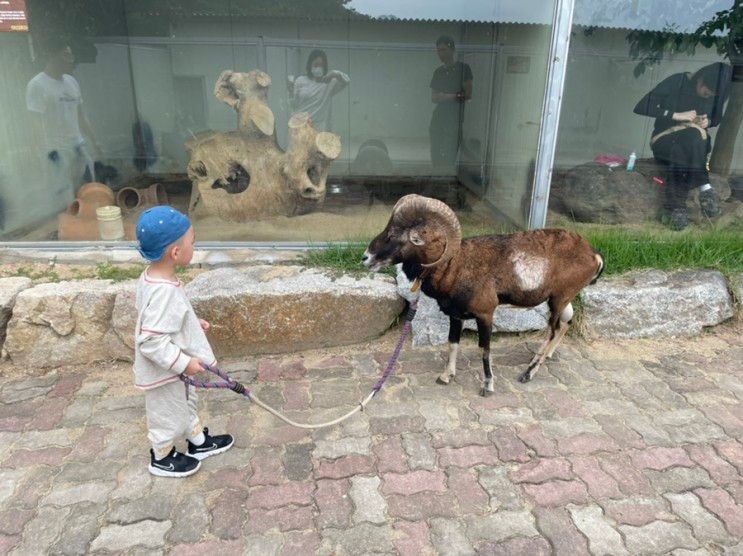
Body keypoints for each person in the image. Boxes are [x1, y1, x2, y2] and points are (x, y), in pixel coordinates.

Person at [134, 206, 233, 477]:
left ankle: (197, 441)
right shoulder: (163, 290)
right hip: (165, 371)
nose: (195, 246)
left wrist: (189, 324)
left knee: (187, 403)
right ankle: (162, 457)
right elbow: (151, 341)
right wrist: (183, 362)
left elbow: (163, 318)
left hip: (176, 370)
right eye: (193, 242)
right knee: (167, 415)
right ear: (175, 252)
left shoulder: (153, 277)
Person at [633, 62, 732, 230]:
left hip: (693, 145)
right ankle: (705, 188)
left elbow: (716, 117)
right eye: (706, 91)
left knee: (688, 143)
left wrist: (708, 121)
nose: (706, 96)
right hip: (665, 139)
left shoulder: (715, 94)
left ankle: (676, 207)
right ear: (700, 78)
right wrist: (676, 115)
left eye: (711, 96)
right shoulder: (677, 81)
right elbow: (641, 106)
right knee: (688, 142)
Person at [26, 37, 100, 208]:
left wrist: (95, 142)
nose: (71, 58)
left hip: (78, 145)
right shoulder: (37, 85)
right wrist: (43, 152)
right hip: (57, 150)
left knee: (88, 188)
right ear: (52, 55)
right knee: (64, 196)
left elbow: (81, 116)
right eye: (66, 55)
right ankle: (69, 227)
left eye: (71, 54)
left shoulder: (71, 81)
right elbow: (34, 123)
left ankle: (87, 222)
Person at [429, 36, 473, 173]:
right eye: (438, 50)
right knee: (436, 153)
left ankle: (446, 179)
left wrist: (445, 96)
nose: (440, 53)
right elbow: (434, 97)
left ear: (452, 50)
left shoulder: (463, 68)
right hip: (438, 118)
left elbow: (467, 94)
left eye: (443, 49)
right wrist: (454, 96)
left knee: (450, 154)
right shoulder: (438, 72)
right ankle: (437, 179)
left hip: (454, 119)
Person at [288, 49, 350, 132]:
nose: (318, 68)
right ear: (310, 65)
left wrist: (334, 73)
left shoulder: (329, 83)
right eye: (315, 65)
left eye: (321, 65)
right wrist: (290, 91)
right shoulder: (300, 80)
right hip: (299, 125)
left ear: (325, 67)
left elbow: (347, 81)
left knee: (316, 144)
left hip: (317, 127)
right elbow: (294, 104)